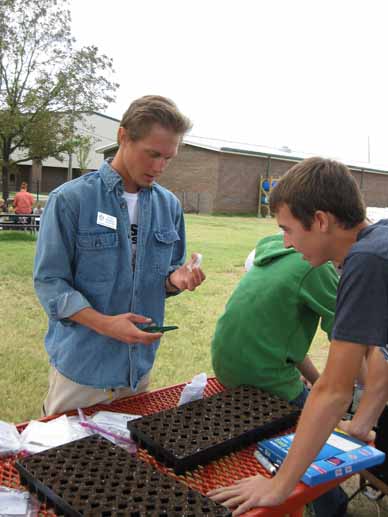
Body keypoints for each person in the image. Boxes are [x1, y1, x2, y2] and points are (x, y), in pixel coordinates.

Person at [209, 156, 388, 516]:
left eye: (288, 229)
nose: (287, 244)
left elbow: (334, 391)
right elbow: (383, 352)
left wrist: (279, 485)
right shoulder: (377, 243)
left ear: (321, 221)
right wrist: (364, 421)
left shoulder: (366, 260)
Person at [34, 95, 205, 416]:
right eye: (152, 154)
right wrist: (105, 324)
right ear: (123, 136)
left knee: (128, 461)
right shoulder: (70, 200)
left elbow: (164, 276)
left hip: (137, 371)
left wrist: (177, 279)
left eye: (169, 158)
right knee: (66, 461)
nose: (159, 167)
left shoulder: (170, 206)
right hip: (82, 371)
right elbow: (50, 284)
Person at [212, 232, 348, 517]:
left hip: (230, 366)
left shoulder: (277, 253)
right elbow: (350, 340)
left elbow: (283, 342)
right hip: (262, 376)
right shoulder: (317, 267)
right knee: (316, 433)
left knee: (310, 402)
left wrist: (316, 380)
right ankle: (329, 505)